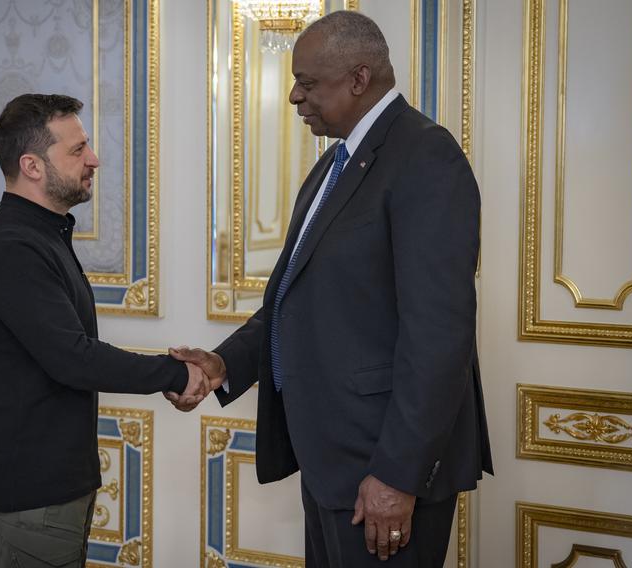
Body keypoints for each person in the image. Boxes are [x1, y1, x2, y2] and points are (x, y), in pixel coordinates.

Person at [169, 11, 492, 567]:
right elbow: (291, 300)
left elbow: (440, 336)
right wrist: (224, 364)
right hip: (332, 465)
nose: (295, 95)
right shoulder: (330, 169)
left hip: (383, 473)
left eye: (308, 82)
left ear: (359, 79)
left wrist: (397, 474)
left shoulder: (425, 156)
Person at [0, 94, 217, 567]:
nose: (94, 159)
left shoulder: (42, 233)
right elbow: (72, 358)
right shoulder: (13, 245)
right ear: (32, 166)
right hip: (28, 496)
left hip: (50, 490)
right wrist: (175, 374)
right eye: (77, 150)